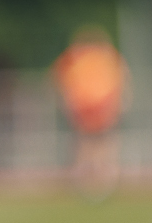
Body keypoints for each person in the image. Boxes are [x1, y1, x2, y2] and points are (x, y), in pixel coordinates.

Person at [51, 26, 128, 197]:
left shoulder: (99, 58)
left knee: (97, 143)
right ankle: (91, 176)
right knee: (90, 143)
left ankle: (100, 175)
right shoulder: (79, 59)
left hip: (98, 107)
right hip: (90, 107)